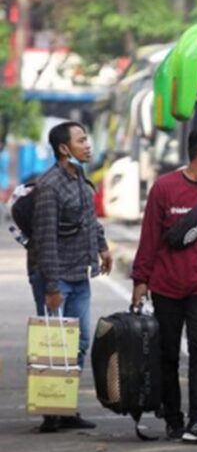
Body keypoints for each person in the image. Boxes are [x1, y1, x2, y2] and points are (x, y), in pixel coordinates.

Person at [131, 126, 197, 445]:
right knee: (166, 355)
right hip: (165, 286)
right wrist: (141, 279)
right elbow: (149, 237)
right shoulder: (164, 189)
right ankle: (174, 418)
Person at [28, 121, 113, 433]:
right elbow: (46, 239)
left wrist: (102, 247)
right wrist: (51, 287)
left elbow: (89, 219)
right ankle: (51, 411)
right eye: (81, 140)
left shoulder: (79, 178)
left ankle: (66, 407)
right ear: (64, 149)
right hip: (56, 276)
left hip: (79, 274)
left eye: (87, 138)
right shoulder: (49, 186)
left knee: (79, 343)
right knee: (54, 346)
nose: (88, 144)